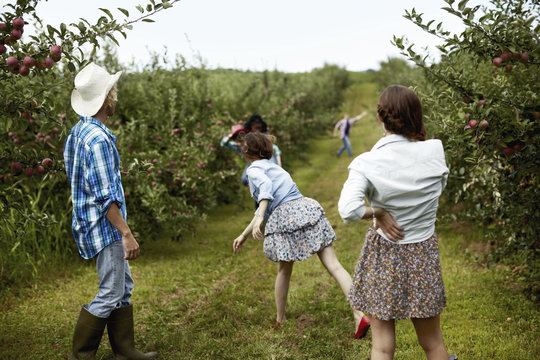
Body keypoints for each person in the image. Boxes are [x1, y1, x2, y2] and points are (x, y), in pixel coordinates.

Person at [338, 85, 451, 359]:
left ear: (381, 116)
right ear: (416, 116)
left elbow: (349, 210)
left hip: (385, 253)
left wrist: (378, 211)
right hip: (423, 253)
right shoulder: (435, 151)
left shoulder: (368, 162)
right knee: (432, 342)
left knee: (382, 345)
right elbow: (440, 188)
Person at [232, 132, 370, 338]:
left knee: (284, 271)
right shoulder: (275, 167)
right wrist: (244, 234)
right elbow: (265, 203)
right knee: (335, 265)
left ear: (246, 152)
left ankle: (280, 318)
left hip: (286, 217)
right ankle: (359, 314)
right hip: (306, 208)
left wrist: (261, 215)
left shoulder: (253, 170)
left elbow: (266, 194)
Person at [64, 63, 157, 360]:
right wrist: (126, 234)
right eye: (113, 93)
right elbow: (106, 197)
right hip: (106, 226)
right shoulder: (99, 139)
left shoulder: (78, 132)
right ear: (108, 99)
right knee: (112, 291)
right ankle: (82, 354)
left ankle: (125, 350)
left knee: (123, 286)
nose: (116, 97)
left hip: (89, 221)